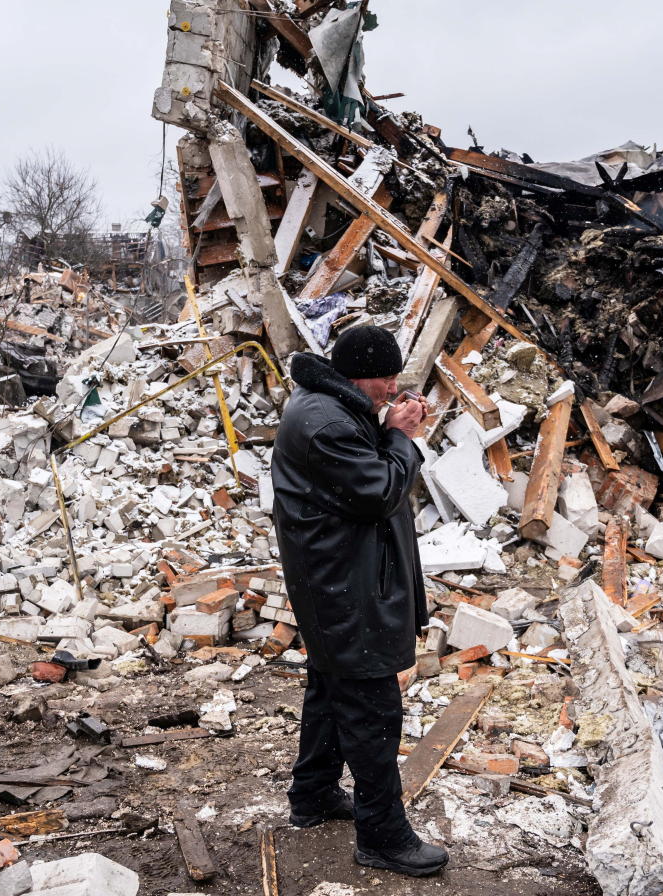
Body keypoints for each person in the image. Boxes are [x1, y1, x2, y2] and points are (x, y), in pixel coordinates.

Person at [270, 325, 448, 877]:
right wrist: (399, 437)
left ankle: (314, 793)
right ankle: (382, 835)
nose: (391, 388)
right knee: (372, 707)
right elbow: (377, 492)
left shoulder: (330, 405)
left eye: (396, 377)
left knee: (330, 686)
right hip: (343, 586)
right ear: (353, 375)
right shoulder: (326, 423)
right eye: (383, 379)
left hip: (338, 578)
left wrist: (386, 424)